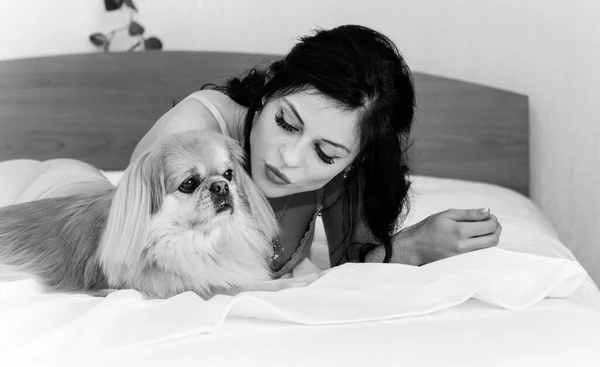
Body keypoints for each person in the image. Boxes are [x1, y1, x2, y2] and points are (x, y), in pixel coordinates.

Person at [131, 24, 502, 277]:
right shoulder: (192, 134)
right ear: (271, 88)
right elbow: (124, 252)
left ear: (354, 162)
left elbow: (353, 266)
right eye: (285, 123)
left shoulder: (345, 174)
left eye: (325, 154)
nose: (289, 158)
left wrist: (415, 245)